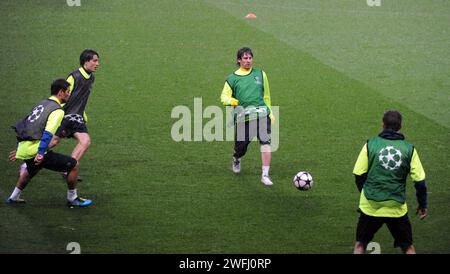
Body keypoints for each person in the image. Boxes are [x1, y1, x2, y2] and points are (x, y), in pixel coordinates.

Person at [7, 79, 92, 207]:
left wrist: (20, 147)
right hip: (37, 150)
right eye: (68, 92)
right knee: (73, 165)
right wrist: (41, 153)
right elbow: (47, 134)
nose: (69, 95)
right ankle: (72, 198)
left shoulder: (42, 104)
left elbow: (24, 125)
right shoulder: (57, 110)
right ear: (60, 92)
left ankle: (13, 197)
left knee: (31, 170)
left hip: (25, 148)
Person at [352, 110, 428, 254]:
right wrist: (422, 204)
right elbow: (420, 182)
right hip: (396, 208)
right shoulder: (409, 149)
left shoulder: (370, 144)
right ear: (400, 126)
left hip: (370, 206)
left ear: (383, 124)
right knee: (408, 247)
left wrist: (366, 192)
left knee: (360, 245)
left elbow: (358, 174)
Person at [220, 47, 275, 186]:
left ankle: (265, 175)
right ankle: (236, 157)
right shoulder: (232, 79)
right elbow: (223, 96)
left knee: (266, 143)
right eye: (245, 58)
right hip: (243, 117)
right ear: (239, 60)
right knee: (242, 146)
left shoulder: (261, 74)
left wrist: (271, 112)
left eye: (250, 58)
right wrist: (231, 101)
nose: (248, 61)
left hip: (262, 113)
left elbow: (266, 96)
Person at [50, 49, 100, 181]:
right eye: (94, 60)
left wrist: (82, 113)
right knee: (53, 141)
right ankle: (28, 160)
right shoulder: (74, 76)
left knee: (85, 141)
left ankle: (68, 169)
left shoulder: (91, 78)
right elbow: (61, 95)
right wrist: (57, 113)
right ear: (86, 61)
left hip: (77, 117)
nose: (97, 63)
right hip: (65, 117)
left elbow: (81, 98)